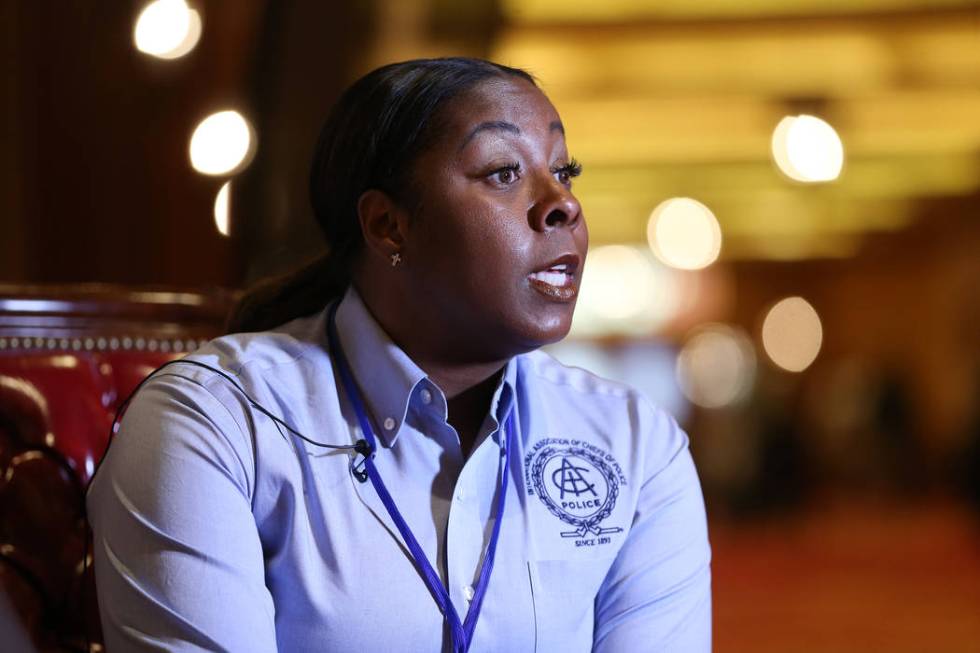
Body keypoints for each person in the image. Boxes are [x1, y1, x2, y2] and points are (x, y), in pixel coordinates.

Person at [87, 57, 711, 652]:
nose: (563, 204)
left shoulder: (634, 441)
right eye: (502, 172)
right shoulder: (216, 423)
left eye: (565, 172)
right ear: (388, 225)